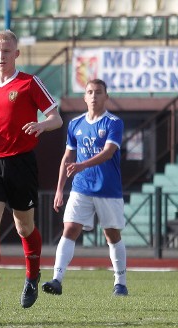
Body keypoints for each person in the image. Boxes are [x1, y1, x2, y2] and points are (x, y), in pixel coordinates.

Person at [0, 30, 62, 309]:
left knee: (24, 227)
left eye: (7, 51)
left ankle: (32, 276)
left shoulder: (29, 83)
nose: (1, 56)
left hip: (21, 162)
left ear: (16, 54)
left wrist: (40, 126)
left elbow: (55, 118)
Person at [42, 79, 128, 297]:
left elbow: (108, 152)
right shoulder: (75, 124)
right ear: (84, 97)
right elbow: (67, 157)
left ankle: (120, 282)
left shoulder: (113, 122)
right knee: (69, 229)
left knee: (112, 235)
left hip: (108, 188)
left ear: (106, 96)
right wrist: (60, 189)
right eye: (89, 92)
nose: (93, 96)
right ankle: (57, 279)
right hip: (81, 188)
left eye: (98, 92)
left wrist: (82, 165)